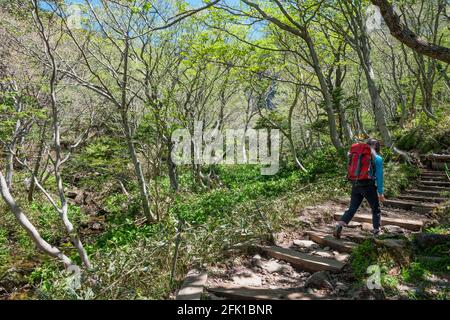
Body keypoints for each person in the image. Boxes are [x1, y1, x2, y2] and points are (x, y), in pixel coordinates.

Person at [333, 138, 385, 238]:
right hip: (368, 186)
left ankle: (340, 224)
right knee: (375, 209)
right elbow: (379, 176)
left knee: (352, 208)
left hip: (356, 184)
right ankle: (376, 230)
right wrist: (380, 192)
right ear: (376, 147)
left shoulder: (356, 155)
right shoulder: (377, 158)